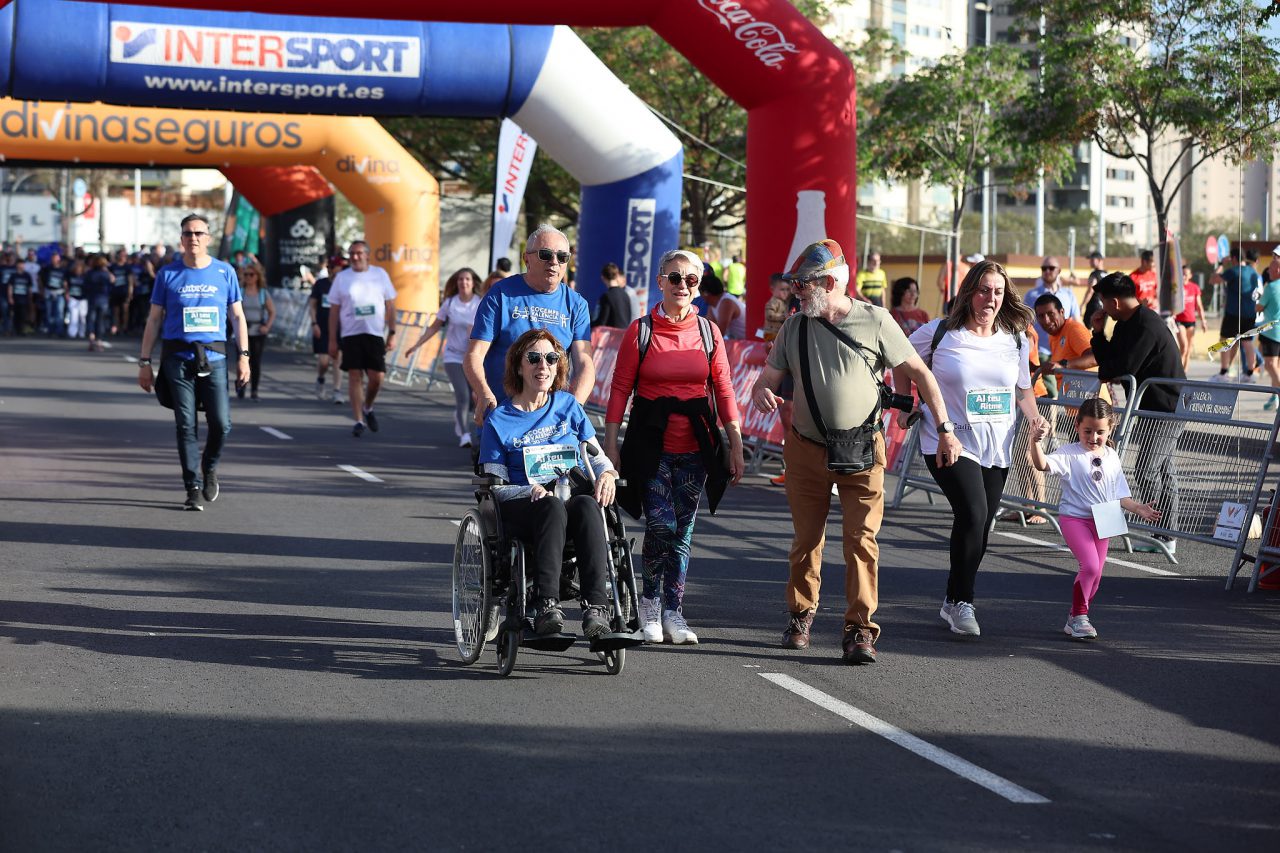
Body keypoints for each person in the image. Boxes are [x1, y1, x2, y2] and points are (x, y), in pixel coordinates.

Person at [752, 239, 959, 664]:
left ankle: (860, 630)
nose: (795, 291)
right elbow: (767, 378)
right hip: (806, 451)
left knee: (862, 541)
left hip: (863, 449)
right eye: (794, 283)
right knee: (806, 541)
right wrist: (761, 393)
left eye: (803, 284)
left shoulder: (875, 321)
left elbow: (919, 373)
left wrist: (946, 427)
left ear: (829, 282)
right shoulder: (794, 327)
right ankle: (800, 617)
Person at [604, 249, 744, 646]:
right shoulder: (640, 330)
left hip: (696, 447)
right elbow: (620, 389)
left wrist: (735, 445)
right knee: (661, 524)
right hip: (651, 444)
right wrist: (610, 446)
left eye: (692, 279)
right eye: (675, 278)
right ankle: (649, 601)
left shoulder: (708, 331)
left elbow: (725, 389)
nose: (683, 286)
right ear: (661, 281)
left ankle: (673, 611)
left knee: (683, 531)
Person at [902, 260, 1049, 637]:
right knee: (973, 512)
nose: (991, 298)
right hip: (948, 440)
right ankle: (964, 601)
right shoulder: (940, 333)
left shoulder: (1014, 338)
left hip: (996, 445)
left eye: (998, 292)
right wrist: (905, 402)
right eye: (984, 290)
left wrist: (1034, 419)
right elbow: (900, 361)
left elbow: (1022, 388)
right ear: (969, 292)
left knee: (981, 524)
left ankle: (953, 600)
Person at [478, 329, 618, 638]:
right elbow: (495, 487)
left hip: (569, 498)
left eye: (551, 359)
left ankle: (596, 608)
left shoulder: (568, 407)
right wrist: (530, 490)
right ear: (519, 366)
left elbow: (596, 456)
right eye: (534, 358)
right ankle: (546, 605)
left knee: (586, 504)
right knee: (551, 505)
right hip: (525, 506)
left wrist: (607, 474)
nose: (543, 365)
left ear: (558, 367)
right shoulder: (499, 420)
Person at [137, 214, 250, 511]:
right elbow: (153, 319)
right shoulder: (168, 275)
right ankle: (192, 486)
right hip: (178, 359)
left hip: (214, 358)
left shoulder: (225, 273)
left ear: (208, 238)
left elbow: (237, 317)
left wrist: (244, 357)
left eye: (199, 233)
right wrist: (144, 362)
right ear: (181, 239)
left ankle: (209, 466)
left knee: (221, 424)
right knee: (185, 425)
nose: (194, 238)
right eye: (188, 233)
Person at [1028, 397, 1160, 639]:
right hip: (1075, 519)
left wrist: (1138, 508)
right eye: (1087, 431)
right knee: (1088, 567)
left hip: (1105, 519)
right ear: (1077, 425)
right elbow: (1041, 464)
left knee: (1096, 576)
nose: (1093, 437)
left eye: (1100, 432)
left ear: (1110, 428)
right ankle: (1079, 617)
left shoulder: (1111, 455)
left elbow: (1120, 494)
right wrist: (1036, 442)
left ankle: (1075, 616)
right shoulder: (1069, 454)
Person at [1089, 271, 1186, 554]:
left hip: (1168, 408)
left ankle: (1162, 531)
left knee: (1147, 469)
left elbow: (1123, 367)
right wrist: (1098, 333)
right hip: (1148, 407)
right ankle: (1165, 535)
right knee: (1163, 470)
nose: (1103, 309)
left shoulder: (1147, 325)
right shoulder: (1124, 324)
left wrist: (1109, 368)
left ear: (1115, 302)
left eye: (1104, 303)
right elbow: (1110, 363)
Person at [466, 224, 594, 427]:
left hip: (553, 421)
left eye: (562, 257)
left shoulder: (576, 304)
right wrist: (483, 392)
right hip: (503, 415)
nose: (554, 262)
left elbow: (585, 364)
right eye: (546, 254)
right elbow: (474, 355)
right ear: (527, 259)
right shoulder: (500, 294)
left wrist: (573, 408)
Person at [405, 267, 482, 447]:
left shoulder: (480, 302)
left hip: (473, 357)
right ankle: (465, 435)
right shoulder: (450, 303)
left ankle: (459, 415)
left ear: (473, 283)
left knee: (474, 398)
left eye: (467, 279)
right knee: (463, 396)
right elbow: (434, 327)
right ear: (457, 283)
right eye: (460, 280)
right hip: (453, 356)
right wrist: (416, 345)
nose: (464, 283)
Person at [327, 240, 397, 437]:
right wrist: (332, 340)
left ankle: (368, 407)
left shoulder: (380, 274)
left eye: (359, 253)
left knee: (377, 378)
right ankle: (358, 420)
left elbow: (391, 304)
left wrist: (392, 332)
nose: (355, 257)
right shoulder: (342, 278)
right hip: (350, 333)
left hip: (374, 333)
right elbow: (334, 310)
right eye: (352, 254)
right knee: (355, 376)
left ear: (367, 255)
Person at [1211, 249, 1261, 382]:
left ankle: (1223, 373)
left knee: (1225, 340)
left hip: (1233, 313)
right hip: (1250, 313)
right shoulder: (1253, 272)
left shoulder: (1233, 271)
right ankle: (1250, 373)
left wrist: (1221, 264)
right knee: (1247, 342)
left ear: (1233, 258)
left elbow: (1213, 280)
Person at [307, 253, 346, 404]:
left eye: (335, 268)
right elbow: (312, 305)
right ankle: (321, 378)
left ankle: (337, 391)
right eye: (330, 267)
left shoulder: (344, 285)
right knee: (324, 361)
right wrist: (314, 323)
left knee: (337, 359)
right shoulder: (321, 284)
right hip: (322, 327)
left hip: (340, 328)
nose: (332, 270)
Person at [237, 261, 275, 401]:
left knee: (255, 362)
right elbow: (233, 312)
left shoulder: (262, 294)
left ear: (257, 277)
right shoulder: (240, 292)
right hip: (243, 332)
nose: (248, 277)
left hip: (258, 331)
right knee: (241, 359)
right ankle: (241, 385)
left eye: (251, 275)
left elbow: (272, 312)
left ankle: (254, 390)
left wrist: (267, 326)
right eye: (246, 275)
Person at [1257, 249, 1280, 410]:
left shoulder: (1271, 287)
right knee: (1276, 366)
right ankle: (1274, 398)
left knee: (1271, 365)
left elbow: (1258, 307)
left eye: (1271, 269)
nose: (1269, 272)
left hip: (1272, 333)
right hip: (1276, 332)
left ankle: (1277, 395)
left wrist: (1258, 298)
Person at [1174, 263, 1208, 373]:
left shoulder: (1194, 287)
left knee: (1188, 349)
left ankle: (1184, 373)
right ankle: (1177, 371)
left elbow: (1199, 305)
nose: (1183, 276)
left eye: (1186, 274)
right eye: (1182, 274)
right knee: (1183, 346)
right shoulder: (1176, 287)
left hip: (1191, 321)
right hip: (1179, 321)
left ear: (1190, 275)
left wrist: (1203, 321)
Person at [84, 254, 115, 352]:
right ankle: (99, 341)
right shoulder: (105, 274)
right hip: (103, 299)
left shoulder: (89, 273)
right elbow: (113, 281)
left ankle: (91, 338)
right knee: (100, 321)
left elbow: (85, 285)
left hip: (92, 298)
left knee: (90, 319)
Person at [592, 262, 633, 329]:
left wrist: (589, 324)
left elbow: (602, 322)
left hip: (611, 337)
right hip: (623, 335)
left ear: (603, 277)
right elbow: (628, 318)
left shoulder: (606, 296)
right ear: (617, 275)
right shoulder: (626, 295)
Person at [39, 251, 68, 338]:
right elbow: (40, 279)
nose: (54, 260)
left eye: (56, 258)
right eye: (53, 258)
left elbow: (65, 282)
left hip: (59, 292)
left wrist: (67, 293)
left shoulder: (63, 270)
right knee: (49, 312)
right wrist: (42, 290)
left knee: (59, 312)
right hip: (49, 292)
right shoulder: (46, 269)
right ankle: (50, 330)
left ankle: (59, 331)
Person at [1081, 250, 1108, 329]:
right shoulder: (1107, 274)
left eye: (1092, 260)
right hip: (1105, 307)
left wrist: (1082, 305)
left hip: (1094, 305)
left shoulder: (1094, 274)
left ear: (1099, 260)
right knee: (1100, 331)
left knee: (1088, 331)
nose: (1090, 262)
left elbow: (1090, 291)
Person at [763, 273, 790, 339]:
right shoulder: (774, 302)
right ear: (772, 289)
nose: (785, 292)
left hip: (777, 333)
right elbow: (769, 315)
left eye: (788, 289)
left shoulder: (784, 302)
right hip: (771, 333)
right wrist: (782, 317)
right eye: (782, 289)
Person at [65, 258, 88, 339]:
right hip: (73, 297)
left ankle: (82, 333)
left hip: (83, 299)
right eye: (76, 267)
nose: (77, 269)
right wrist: (67, 293)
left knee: (82, 316)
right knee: (73, 316)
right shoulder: (70, 275)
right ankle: (72, 333)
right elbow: (66, 284)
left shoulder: (85, 276)